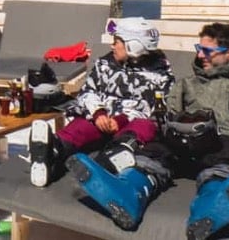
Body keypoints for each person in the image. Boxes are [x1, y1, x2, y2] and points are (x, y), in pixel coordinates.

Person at [68, 22, 229, 238]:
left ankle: (211, 207)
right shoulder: (186, 85)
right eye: (198, 48)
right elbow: (163, 116)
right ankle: (129, 191)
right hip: (186, 141)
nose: (200, 55)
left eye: (207, 51)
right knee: (156, 149)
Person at [27, 17, 174, 187]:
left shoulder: (159, 72)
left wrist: (120, 120)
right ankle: (54, 148)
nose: (112, 46)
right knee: (81, 125)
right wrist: (98, 112)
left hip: (129, 124)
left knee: (145, 125)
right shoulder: (105, 63)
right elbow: (88, 91)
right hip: (101, 120)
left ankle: (115, 155)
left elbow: (153, 107)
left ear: (133, 45)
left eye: (116, 41)